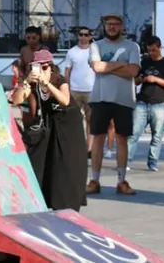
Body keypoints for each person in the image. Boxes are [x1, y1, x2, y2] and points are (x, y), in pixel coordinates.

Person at [10, 50, 87, 211]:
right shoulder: (32, 82)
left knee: (66, 162)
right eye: (36, 67)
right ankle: (42, 198)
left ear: (51, 67)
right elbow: (16, 100)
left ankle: (68, 202)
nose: (40, 71)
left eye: (44, 67)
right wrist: (26, 82)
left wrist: (47, 84)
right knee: (43, 159)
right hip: (50, 121)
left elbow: (65, 100)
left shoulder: (59, 79)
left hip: (68, 122)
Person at [86, 13, 141, 195]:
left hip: (124, 99)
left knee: (122, 139)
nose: (112, 27)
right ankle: (94, 180)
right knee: (98, 139)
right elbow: (97, 68)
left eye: (116, 24)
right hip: (100, 98)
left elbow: (132, 71)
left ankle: (121, 180)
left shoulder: (132, 46)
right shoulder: (96, 45)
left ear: (122, 26)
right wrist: (119, 64)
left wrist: (107, 66)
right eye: (109, 24)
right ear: (104, 26)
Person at [128, 36, 164, 171]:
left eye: (154, 50)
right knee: (134, 133)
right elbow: (136, 80)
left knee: (157, 135)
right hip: (143, 101)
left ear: (160, 48)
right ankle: (127, 161)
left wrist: (155, 79)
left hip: (160, 103)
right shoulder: (145, 61)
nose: (152, 53)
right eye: (149, 50)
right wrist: (141, 80)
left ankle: (153, 162)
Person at [63, 26, 96, 155]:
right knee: (74, 119)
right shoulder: (71, 52)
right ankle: (76, 146)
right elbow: (67, 71)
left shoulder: (95, 52)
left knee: (90, 120)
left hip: (91, 90)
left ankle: (89, 148)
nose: (83, 37)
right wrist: (66, 87)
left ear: (90, 37)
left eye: (86, 35)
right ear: (78, 36)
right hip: (75, 89)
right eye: (81, 34)